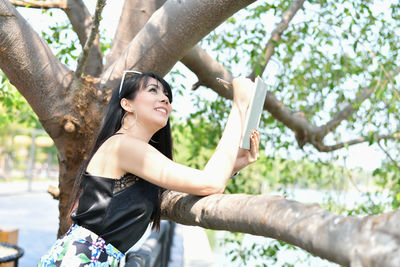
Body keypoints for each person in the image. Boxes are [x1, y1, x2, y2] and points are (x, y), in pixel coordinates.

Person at [38, 71, 260, 266]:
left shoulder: (136, 156)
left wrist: (233, 165)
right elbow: (210, 181)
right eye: (153, 90)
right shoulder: (123, 146)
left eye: (167, 96)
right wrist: (239, 106)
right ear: (127, 104)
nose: (164, 98)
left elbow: (202, 185)